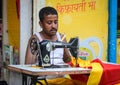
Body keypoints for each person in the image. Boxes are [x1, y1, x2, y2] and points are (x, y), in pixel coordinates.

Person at [25, 6, 76, 85]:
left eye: (55, 22)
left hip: (61, 80)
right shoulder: (36, 39)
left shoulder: (61, 37)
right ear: (40, 24)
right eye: (49, 23)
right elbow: (28, 65)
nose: (53, 26)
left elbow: (67, 59)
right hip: (43, 81)